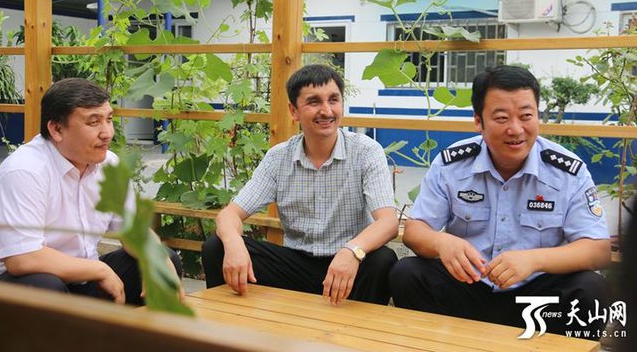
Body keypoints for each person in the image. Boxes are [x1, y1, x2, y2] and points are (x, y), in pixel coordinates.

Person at [389, 66, 611, 337]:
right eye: (502, 118)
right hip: (468, 288)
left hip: (537, 300)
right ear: (478, 121)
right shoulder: (452, 164)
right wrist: (441, 242)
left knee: (591, 290)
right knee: (407, 273)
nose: (516, 129)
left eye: (526, 116)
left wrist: (534, 260)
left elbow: (597, 249)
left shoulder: (567, 172)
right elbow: (415, 231)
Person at [202, 64, 399, 305]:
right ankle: (227, 324)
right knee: (217, 247)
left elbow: (388, 222)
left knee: (382, 260)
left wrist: (353, 250)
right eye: (314, 102)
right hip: (295, 265)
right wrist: (233, 243)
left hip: (348, 265)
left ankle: (357, 327)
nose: (326, 110)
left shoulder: (366, 151)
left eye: (333, 100)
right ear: (293, 111)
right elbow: (229, 214)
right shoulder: (279, 157)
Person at [0, 78, 181, 305]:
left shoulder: (109, 165)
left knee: (163, 261)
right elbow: (23, 259)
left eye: (109, 119)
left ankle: (132, 329)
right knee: (43, 285)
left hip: (81, 279)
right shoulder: (24, 171)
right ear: (57, 129)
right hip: (10, 287)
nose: (107, 133)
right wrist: (100, 269)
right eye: (94, 122)